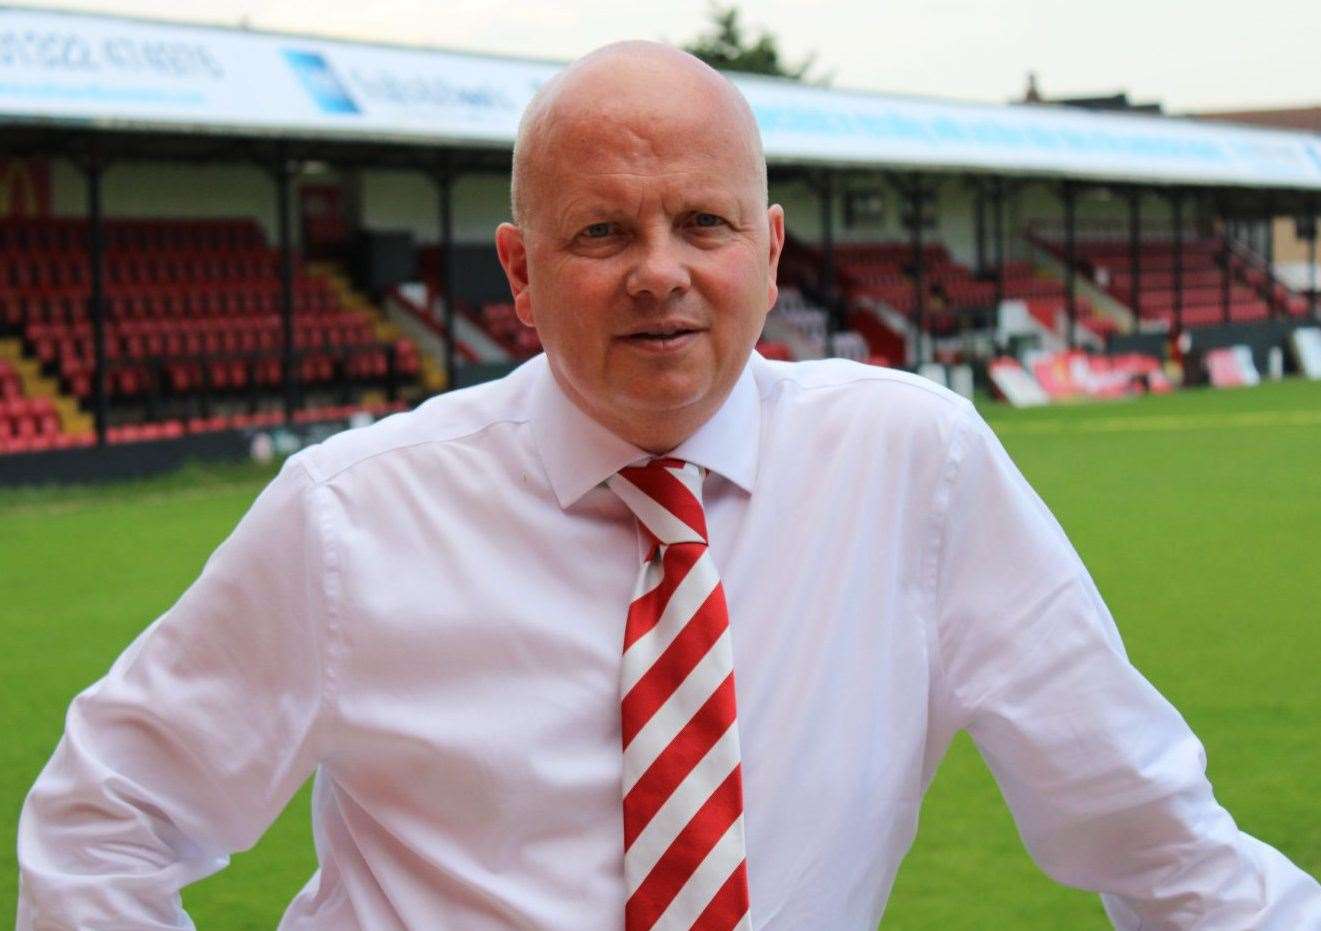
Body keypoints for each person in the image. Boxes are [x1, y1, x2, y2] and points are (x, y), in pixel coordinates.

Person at [17, 42, 1321, 931]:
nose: (659, 272)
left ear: (768, 252)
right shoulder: (352, 515)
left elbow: (1148, 830)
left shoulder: (912, 464)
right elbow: (104, 821)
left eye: (701, 224)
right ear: (518, 277)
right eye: (601, 233)